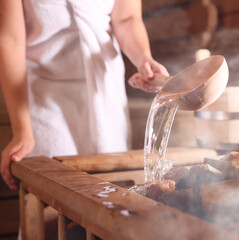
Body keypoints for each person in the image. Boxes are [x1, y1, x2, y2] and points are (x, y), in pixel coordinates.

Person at [0, 0, 169, 190]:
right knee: (55, 191)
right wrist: (22, 131)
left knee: (111, 190)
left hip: (104, 90)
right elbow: (11, 41)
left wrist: (143, 58)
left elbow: (127, 19)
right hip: (43, 91)